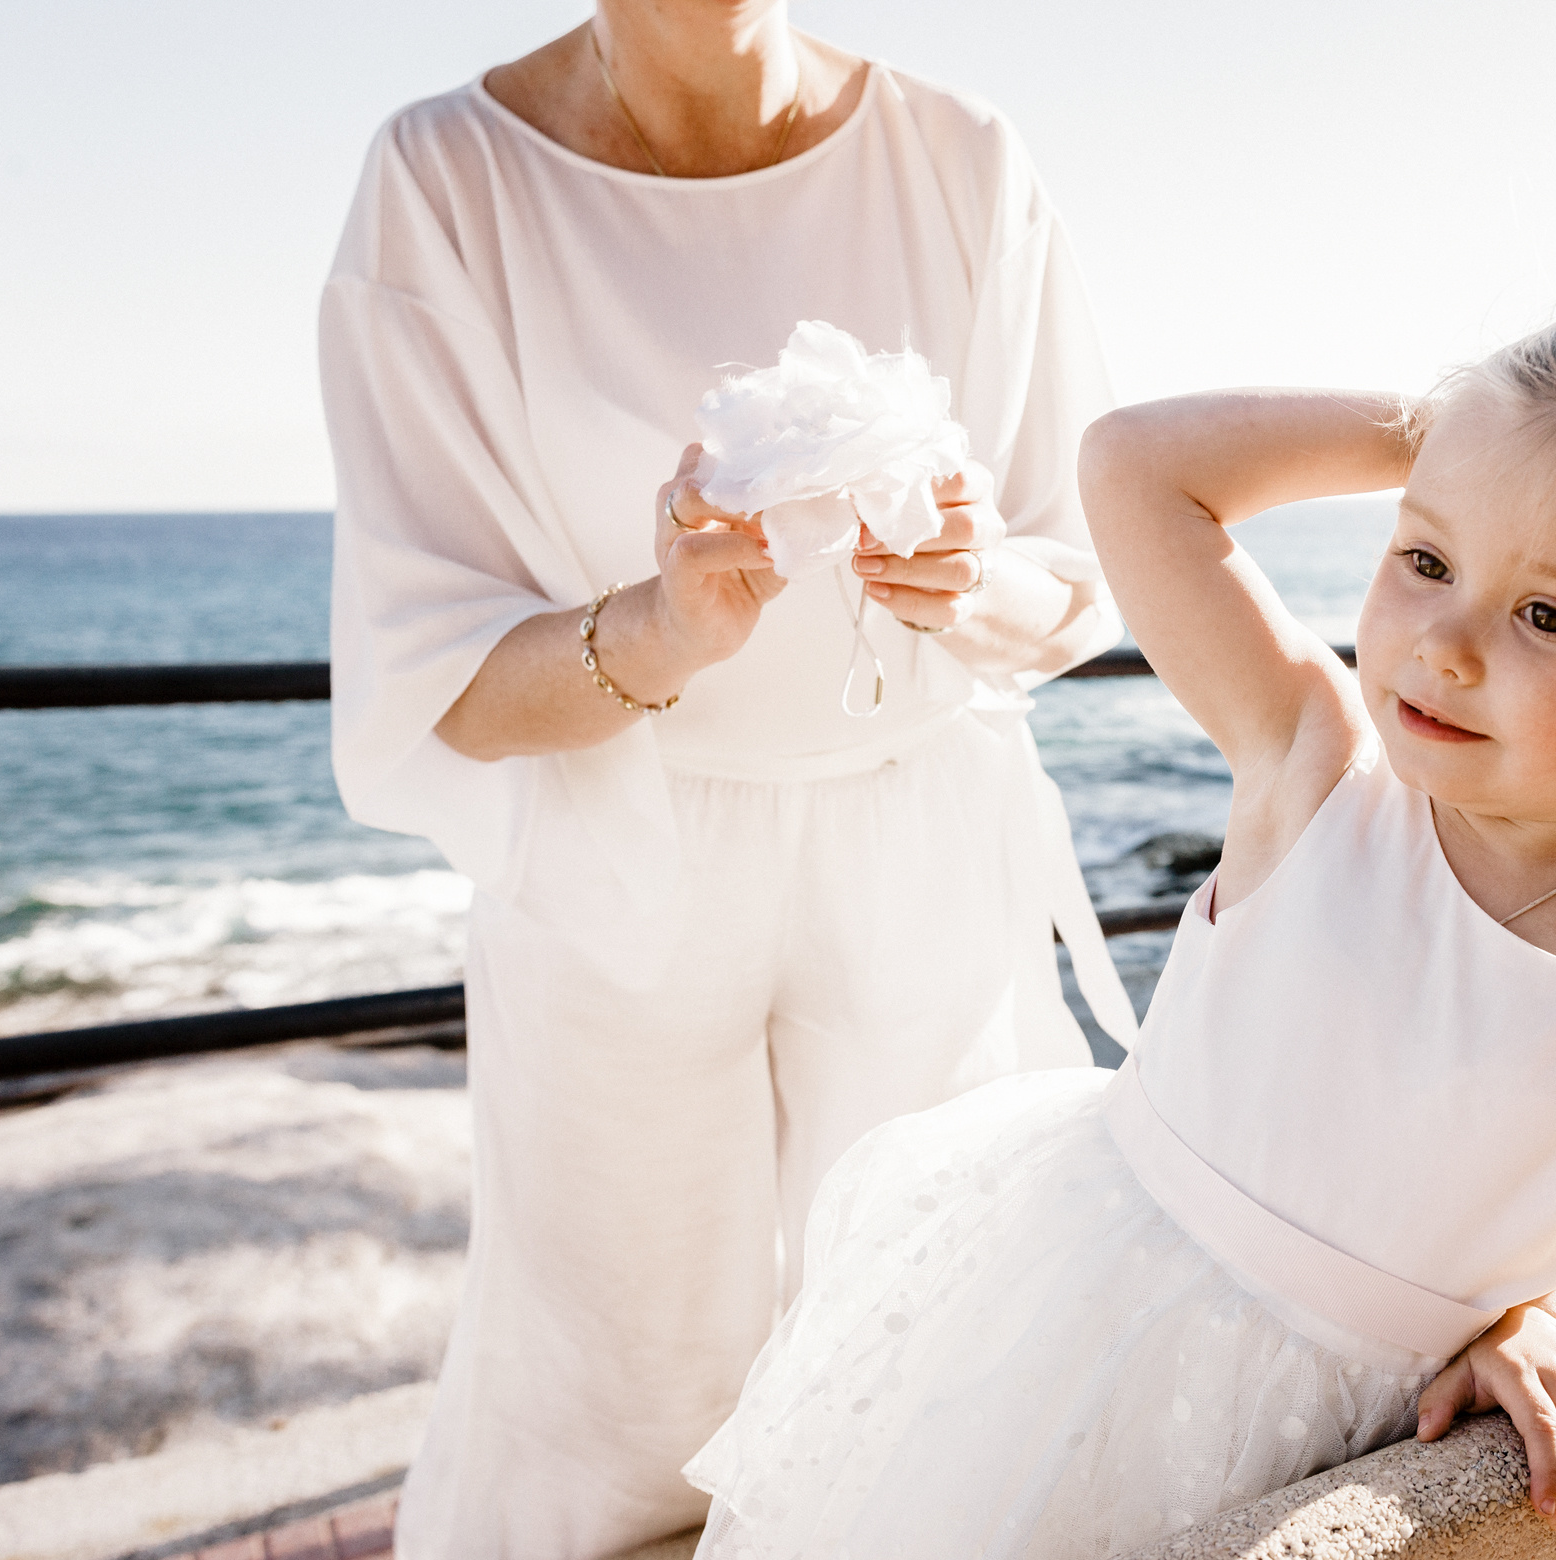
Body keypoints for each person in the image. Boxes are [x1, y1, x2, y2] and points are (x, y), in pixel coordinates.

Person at [677, 152, 1556, 1557]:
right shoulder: (1317, 773)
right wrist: (1471, 423)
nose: (1441, 642)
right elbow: (1135, 464)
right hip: (1076, 1361)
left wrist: (1553, 1314)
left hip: (1355, 1447)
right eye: (1426, 558)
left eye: (1549, 616)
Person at [318, 5, 1132, 1554]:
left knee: (936, 1382)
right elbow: (441, 684)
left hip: (923, 849)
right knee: (611, 1425)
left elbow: (1071, 578)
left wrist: (955, 579)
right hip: (616, 856)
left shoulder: (961, 157)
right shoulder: (445, 179)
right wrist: (661, 627)